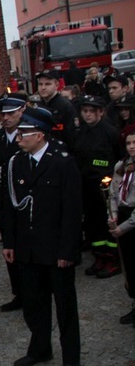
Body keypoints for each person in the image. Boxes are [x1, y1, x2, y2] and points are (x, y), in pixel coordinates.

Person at [2, 107, 82, 366]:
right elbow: (9, 207)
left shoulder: (61, 162)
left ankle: (71, 357)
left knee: (65, 305)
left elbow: (72, 211)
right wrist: (10, 242)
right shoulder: (18, 163)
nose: (18, 137)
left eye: (23, 133)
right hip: (28, 248)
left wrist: (67, 251)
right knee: (34, 303)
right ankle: (40, 348)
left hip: (55, 249)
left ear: (39, 135)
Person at [73, 95, 121, 278]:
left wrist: (107, 177)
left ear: (100, 112)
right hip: (87, 186)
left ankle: (112, 258)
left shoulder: (110, 132)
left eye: (91, 111)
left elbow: (114, 160)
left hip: (105, 186)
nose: (87, 115)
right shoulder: (81, 132)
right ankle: (99, 256)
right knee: (92, 224)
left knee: (107, 222)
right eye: (85, 111)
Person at [0, 93, 28, 312]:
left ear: (21, 111)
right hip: (5, 199)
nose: (6, 118)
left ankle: (32, 292)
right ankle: (18, 293)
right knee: (10, 247)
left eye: (11, 113)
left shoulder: (27, 135)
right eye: (3, 113)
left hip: (22, 199)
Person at [108, 126, 135, 327]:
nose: (131, 147)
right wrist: (114, 216)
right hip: (123, 217)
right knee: (129, 265)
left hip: (133, 220)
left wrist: (124, 226)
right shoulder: (121, 166)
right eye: (128, 143)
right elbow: (113, 193)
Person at [36, 69, 77, 149]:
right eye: (40, 84)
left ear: (57, 85)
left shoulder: (65, 106)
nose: (43, 88)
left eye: (48, 84)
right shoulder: (37, 105)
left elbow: (72, 135)